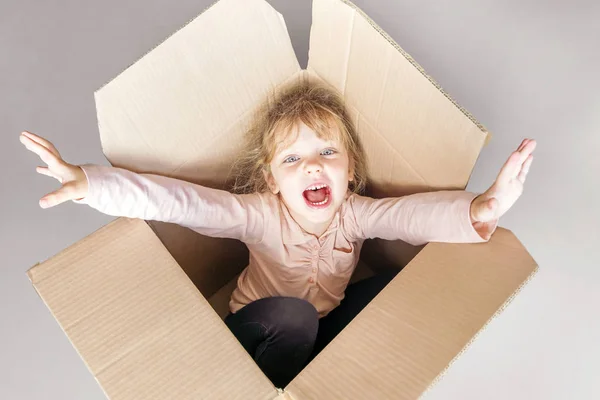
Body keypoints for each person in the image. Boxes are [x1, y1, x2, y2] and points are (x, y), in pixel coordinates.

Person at [20, 80, 536, 389]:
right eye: (293, 159)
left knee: (398, 287)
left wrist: (481, 209)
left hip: (320, 330)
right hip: (260, 332)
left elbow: (408, 216)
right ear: (271, 179)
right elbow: (177, 201)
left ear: (350, 169)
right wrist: (91, 184)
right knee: (293, 315)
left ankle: (316, 375)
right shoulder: (257, 216)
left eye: (328, 153)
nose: (314, 167)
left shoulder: (355, 214)